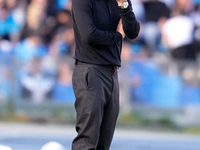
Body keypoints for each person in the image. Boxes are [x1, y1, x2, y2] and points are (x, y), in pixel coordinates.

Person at [71, 0, 140, 149]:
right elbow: (89, 36)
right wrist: (117, 36)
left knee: (104, 141)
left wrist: (124, 6)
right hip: (91, 70)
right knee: (87, 140)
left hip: (112, 73)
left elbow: (133, 32)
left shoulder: (121, 2)